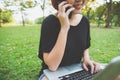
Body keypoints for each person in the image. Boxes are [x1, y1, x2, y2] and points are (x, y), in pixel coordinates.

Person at [38, 0, 100, 80]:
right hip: (52, 74)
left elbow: (86, 46)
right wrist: (64, 28)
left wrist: (86, 59)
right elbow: (52, 66)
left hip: (77, 70)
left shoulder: (84, 21)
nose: (79, 0)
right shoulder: (49, 23)